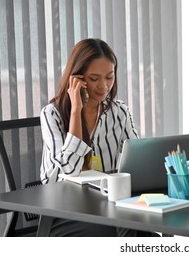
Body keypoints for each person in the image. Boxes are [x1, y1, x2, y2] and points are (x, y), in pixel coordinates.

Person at [40, 38, 157, 236]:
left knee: (148, 235)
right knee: (115, 231)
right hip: (65, 213)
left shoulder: (119, 112)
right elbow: (67, 171)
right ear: (76, 79)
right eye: (94, 79)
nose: (103, 86)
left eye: (109, 77)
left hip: (109, 205)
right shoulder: (52, 114)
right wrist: (76, 110)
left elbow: (139, 161)